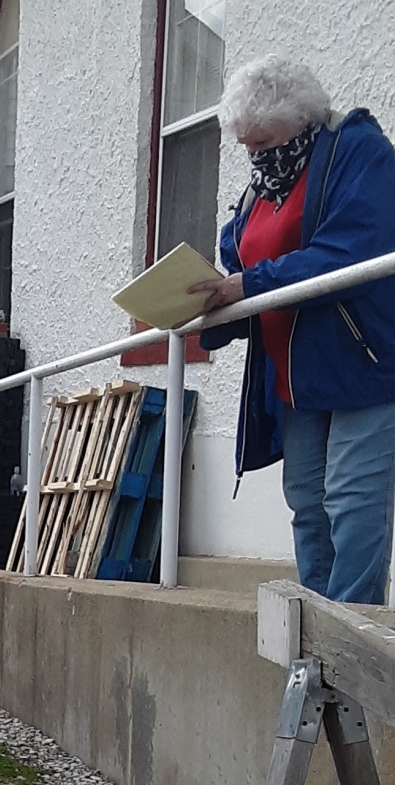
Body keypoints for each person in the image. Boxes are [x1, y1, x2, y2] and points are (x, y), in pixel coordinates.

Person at [193, 57, 395, 605]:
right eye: (246, 145)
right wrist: (210, 292)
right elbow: (240, 253)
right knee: (308, 503)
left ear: (301, 121)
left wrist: (250, 284)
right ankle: (316, 624)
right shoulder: (266, 181)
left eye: (263, 141)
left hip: (362, 366)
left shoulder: (360, 153)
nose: (255, 155)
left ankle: (351, 628)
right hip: (294, 379)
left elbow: (351, 252)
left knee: (352, 502)